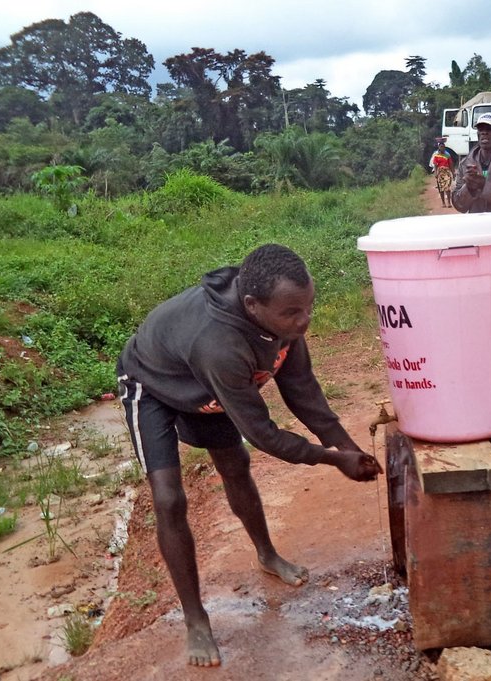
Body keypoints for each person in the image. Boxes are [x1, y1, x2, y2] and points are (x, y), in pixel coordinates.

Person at [116, 243, 381, 668]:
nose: (305, 319)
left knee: (235, 466)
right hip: (154, 386)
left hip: (207, 389)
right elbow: (262, 434)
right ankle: (196, 618)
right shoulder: (218, 345)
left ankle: (266, 554)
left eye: (309, 305)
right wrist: (333, 461)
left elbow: (304, 393)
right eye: (293, 313)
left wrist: (351, 449)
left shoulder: (285, 324)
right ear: (253, 305)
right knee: (169, 499)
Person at [428, 138, 455, 208]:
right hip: (440, 173)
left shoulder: (447, 155)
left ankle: (449, 202)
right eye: (441, 147)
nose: (442, 148)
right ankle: (443, 202)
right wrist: (436, 173)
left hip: (447, 172)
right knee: (441, 188)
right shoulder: (436, 155)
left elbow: (451, 165)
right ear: (439, 147)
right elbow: (435, 165)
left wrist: (453, 173)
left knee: (447, 188)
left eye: (443, 147)